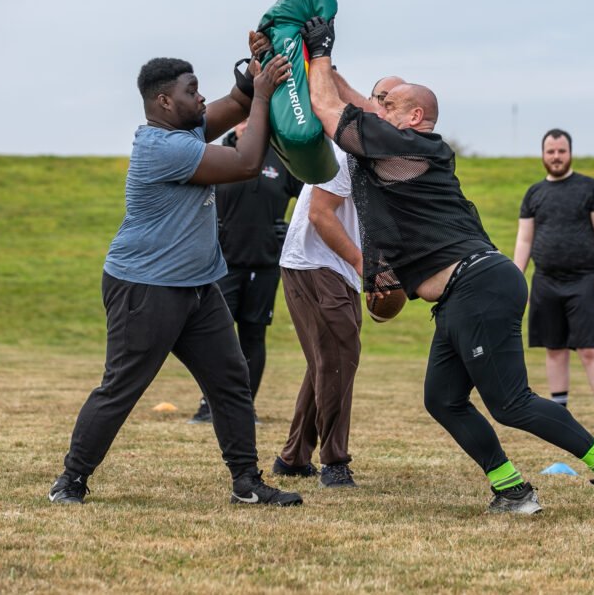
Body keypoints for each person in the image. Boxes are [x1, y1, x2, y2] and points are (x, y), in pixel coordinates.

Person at [299, 16, 594, 520]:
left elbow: (329, 109)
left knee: (511, 402)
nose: (378, 110)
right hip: (462, 293)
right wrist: (315, 60)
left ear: (415, 116)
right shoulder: (401, 140)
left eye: (388, 105)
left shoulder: (406, 145)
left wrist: (320, 50)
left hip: (477, 286)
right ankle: (512, 490)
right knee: (443, 399)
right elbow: (354, 105)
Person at [47, 38, 303, 508]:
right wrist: (265, 95)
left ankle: (246, 483)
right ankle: (71, 480)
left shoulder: (186, 132)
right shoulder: (164, 148)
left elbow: (238, 101)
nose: (201, 97)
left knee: (231, 379)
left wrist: (259, 66)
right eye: (191, 90)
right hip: (146, 286)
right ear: (164, 101)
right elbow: (247, 162)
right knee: (122, 387)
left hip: (197, 286)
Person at [189, 119, 303, 425]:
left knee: (254, 336)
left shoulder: (281, 159)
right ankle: (209, 405)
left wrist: (290, 231)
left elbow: (312, 197)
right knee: (217, 337)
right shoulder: (218, 156)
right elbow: (192, 199)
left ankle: (244, 407)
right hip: (221, 265)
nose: (247, 124)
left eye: (255, 119)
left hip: (265, 264)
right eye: (242, 118)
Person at [271, 140, 364, 488]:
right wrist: (361, 262)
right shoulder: (346, 154)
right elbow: (319, 213)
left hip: (340, 269)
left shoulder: (388, 154)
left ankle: (293, 457)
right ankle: (334, 461)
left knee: (328, 360)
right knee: (339, 356)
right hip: (314, 262)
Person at [513, 129, 594, 429]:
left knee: (589, 348)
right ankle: (561, 414)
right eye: (551, 152)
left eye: (561, 151)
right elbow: (524, 239)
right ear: (543, 155)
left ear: (570, 153)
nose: (556, 157)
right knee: (554, 347)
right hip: (546, 281)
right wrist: (516, 278)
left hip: (585, 280)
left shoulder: (589, 188)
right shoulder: (534, 193)